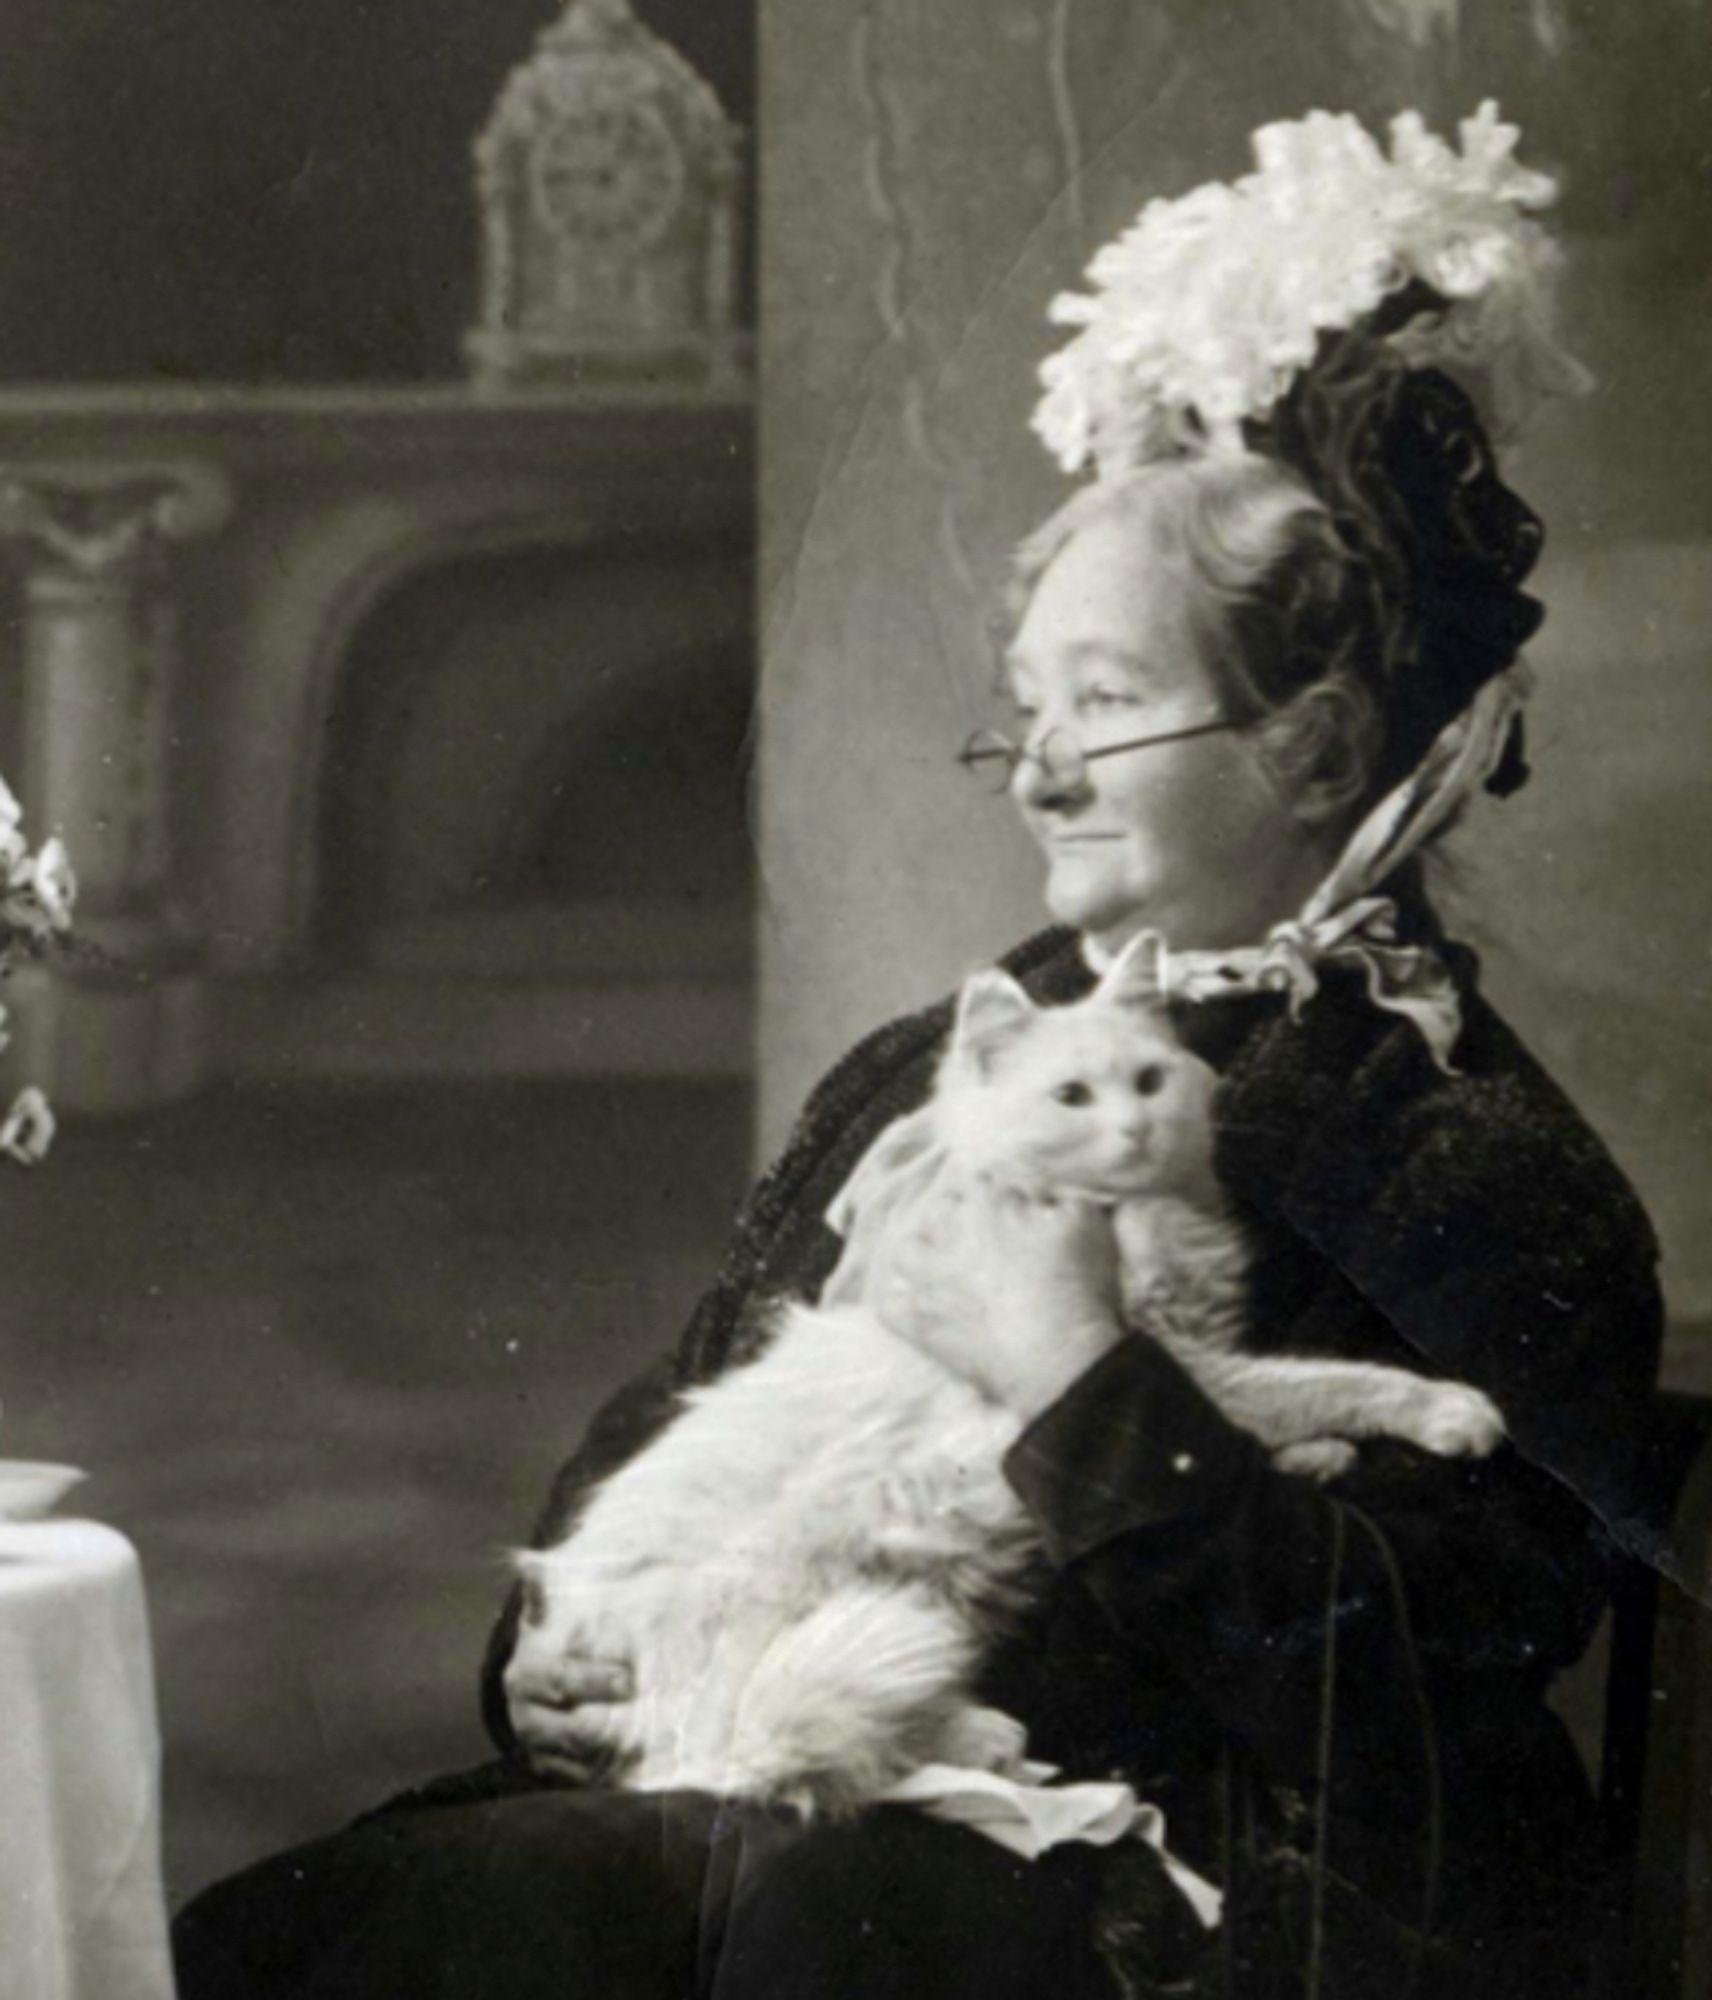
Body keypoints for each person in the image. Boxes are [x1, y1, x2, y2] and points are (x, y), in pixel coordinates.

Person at [173, 105, 1674, 2000]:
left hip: (1171, 1906)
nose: (1037, 766)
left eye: (1105, 707)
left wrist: (1078, 1377)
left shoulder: (1475, 1162)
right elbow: (695, 1414)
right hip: (799, 1797)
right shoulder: (928, 1074)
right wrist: (560, 1657)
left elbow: (1402, 1709)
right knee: (354, 1929)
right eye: (1027, 708)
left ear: (1312, 739)